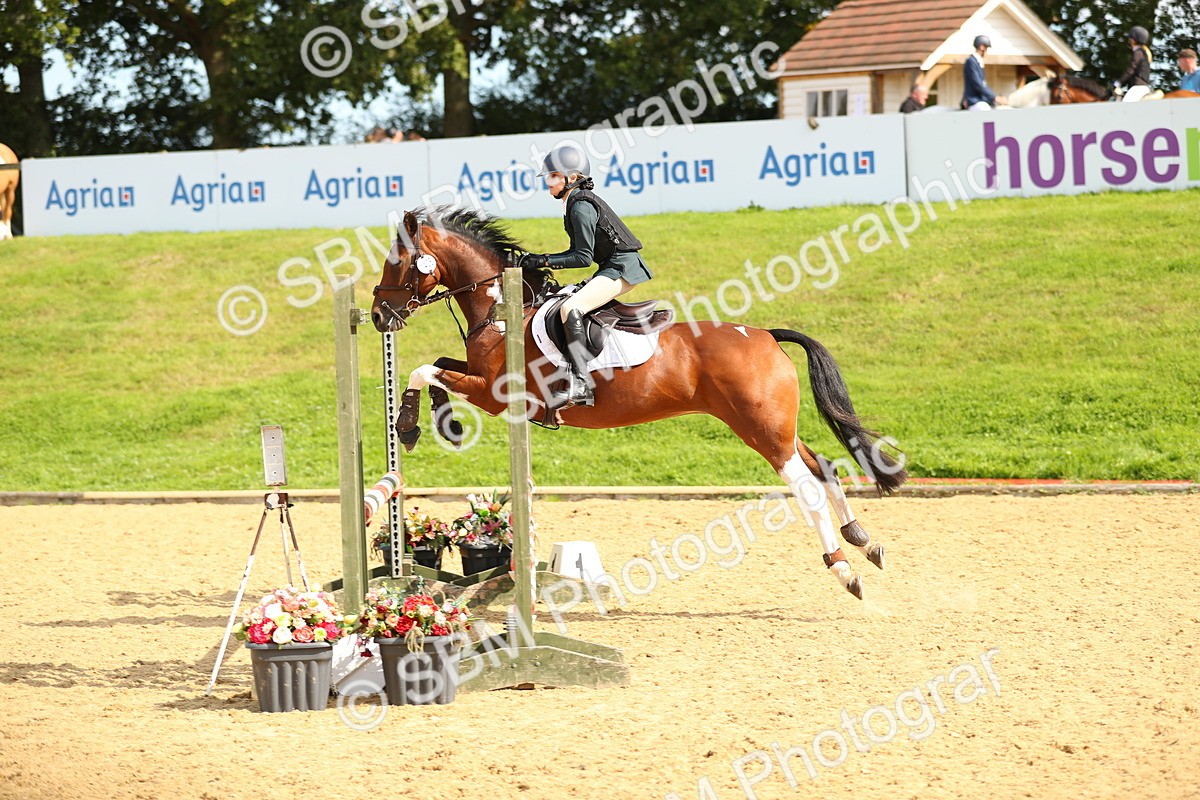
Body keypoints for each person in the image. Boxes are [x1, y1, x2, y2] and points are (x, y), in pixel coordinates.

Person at [519, 145, 653, 408]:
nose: (548, 182)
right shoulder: (575, 202)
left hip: (622, 268)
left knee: (571, 307)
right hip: (611, 267)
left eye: (553, 176)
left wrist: (542, 259)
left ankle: (580, 384)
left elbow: (581, 257)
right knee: (566, 298)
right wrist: (540, 258)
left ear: (570, 177)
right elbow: (577, 253)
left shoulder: (580, 206)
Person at [962, 35, 1007, 110]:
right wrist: (994, 97)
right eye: (987, 48)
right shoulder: (971, 62)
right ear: (982, 47)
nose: (987, 51)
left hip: (981, 100)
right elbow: (978, 84)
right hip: (974, 101)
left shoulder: (978, 62)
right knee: (984, 109)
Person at [1114, 27, 1153, 102]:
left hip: (1138, 87)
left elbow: (1131, 69)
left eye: (1130, 38)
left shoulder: (1138, 52)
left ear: (1133, 40)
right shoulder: (1143, 52)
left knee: (1124, 106)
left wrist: (1118, 82)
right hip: (1141, 87)